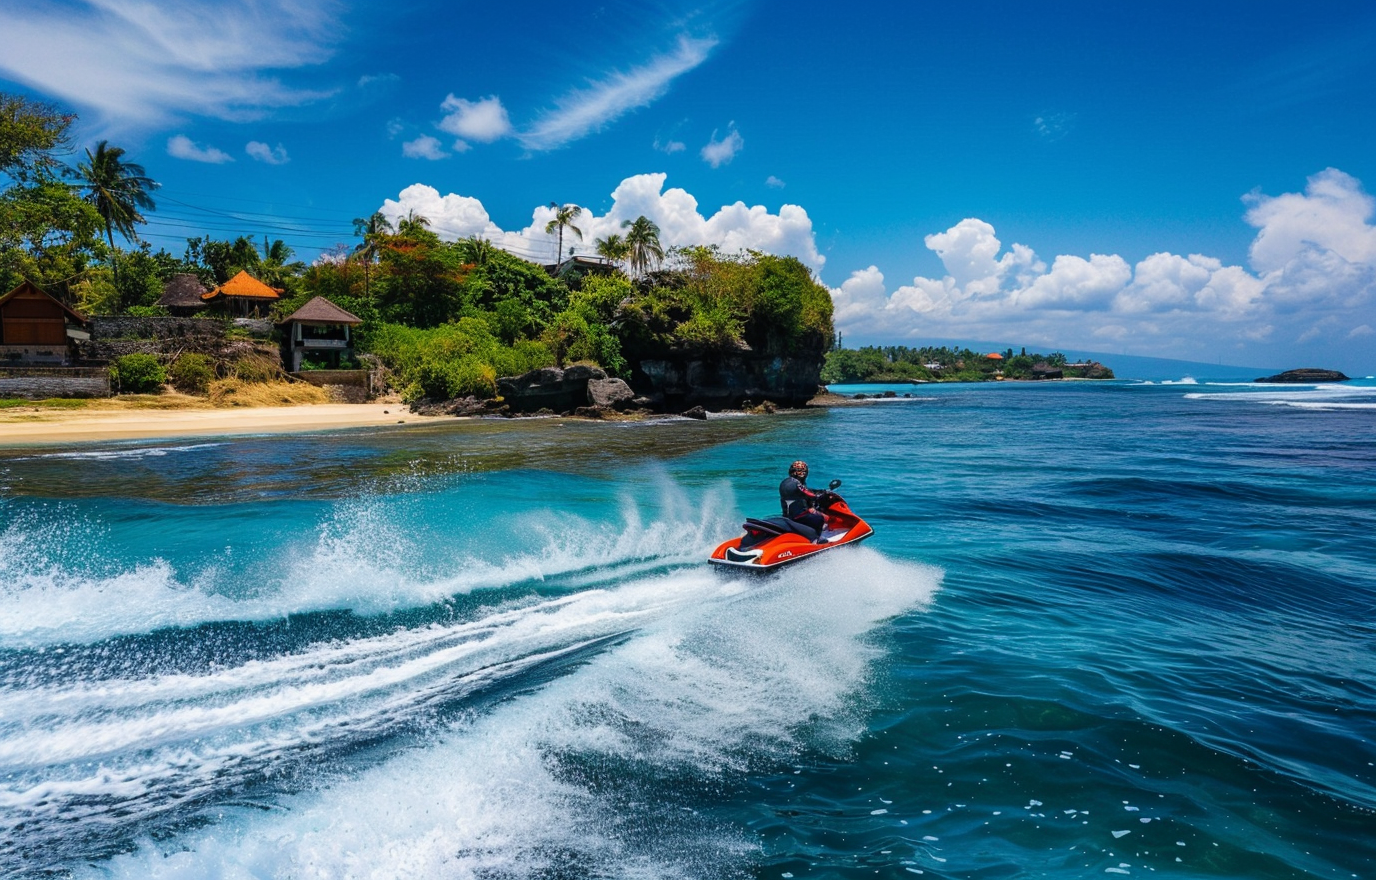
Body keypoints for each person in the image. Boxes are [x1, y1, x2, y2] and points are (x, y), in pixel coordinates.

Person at [779, 460, 826, 538]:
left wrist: (819, 491)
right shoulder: (794, 482)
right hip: (797, 518)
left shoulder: (788, 482)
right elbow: (807, 493)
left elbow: (804, 491)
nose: (803, 473)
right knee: (820, 518)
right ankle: (817, 540)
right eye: (801, 471)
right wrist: (817, 496)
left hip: (789, 516)